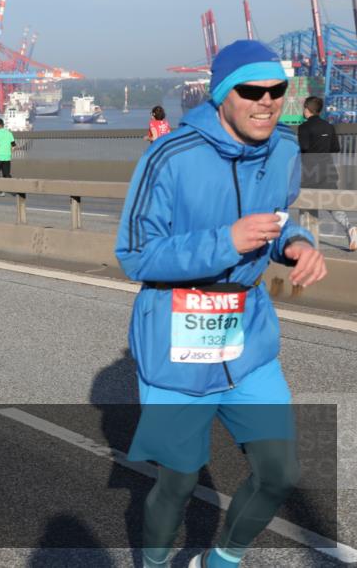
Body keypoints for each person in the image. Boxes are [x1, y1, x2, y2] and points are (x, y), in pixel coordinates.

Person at [115, 40, 327, 568]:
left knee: (279, 472)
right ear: (222, 95)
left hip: (247, 335)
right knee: (179, 481)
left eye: (277, 90)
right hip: (176, 337)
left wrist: (296, 244)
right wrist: (225, 240)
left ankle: (221, 562)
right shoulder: (169, 155)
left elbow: (276, 222)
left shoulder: (283, 150)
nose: (267, 101)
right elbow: (136, 256)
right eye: (252, 91)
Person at [298, 95, 357, 251]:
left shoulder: (304, 127)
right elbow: (335, 148)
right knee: (332, 205)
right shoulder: (329, 126)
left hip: (309, 172)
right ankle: (350, 229)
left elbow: (303, 147)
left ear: (307, 109)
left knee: (306, 203)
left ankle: (308, 241)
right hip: (328, 171)